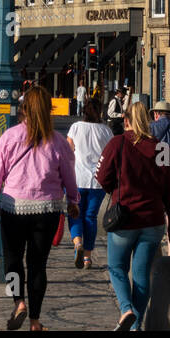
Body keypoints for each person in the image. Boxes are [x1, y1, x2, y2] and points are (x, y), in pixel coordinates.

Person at [0, 85, 79, 331]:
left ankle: (19, 303)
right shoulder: (58, 141)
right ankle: (35, 321)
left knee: (12, 262)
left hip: (14, 207)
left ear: (23, 110)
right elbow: (69, 176)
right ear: (48, 111)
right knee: (38, 265)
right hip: (47, 209)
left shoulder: (9, 137)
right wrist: (73, 202)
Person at [96, 101, 170, 331]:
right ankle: (136, 326)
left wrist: (116, 188)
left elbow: (101, 176)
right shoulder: (161, 149)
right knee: (142, 274)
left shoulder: (118, 144)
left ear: (126, 121)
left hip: (125, 217)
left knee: (116, 267)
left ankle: (126, 310)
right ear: (148, 120)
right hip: (153, 221)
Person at [66, 98, 114, 270]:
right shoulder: (106, 131)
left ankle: (77, 242)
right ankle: (87, 257)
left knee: (75, 213)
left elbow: (68, 151)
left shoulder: (76, 127)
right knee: (91, 217)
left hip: (77, 179)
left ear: (84, 111)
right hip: (98, 181)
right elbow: (110, 156)